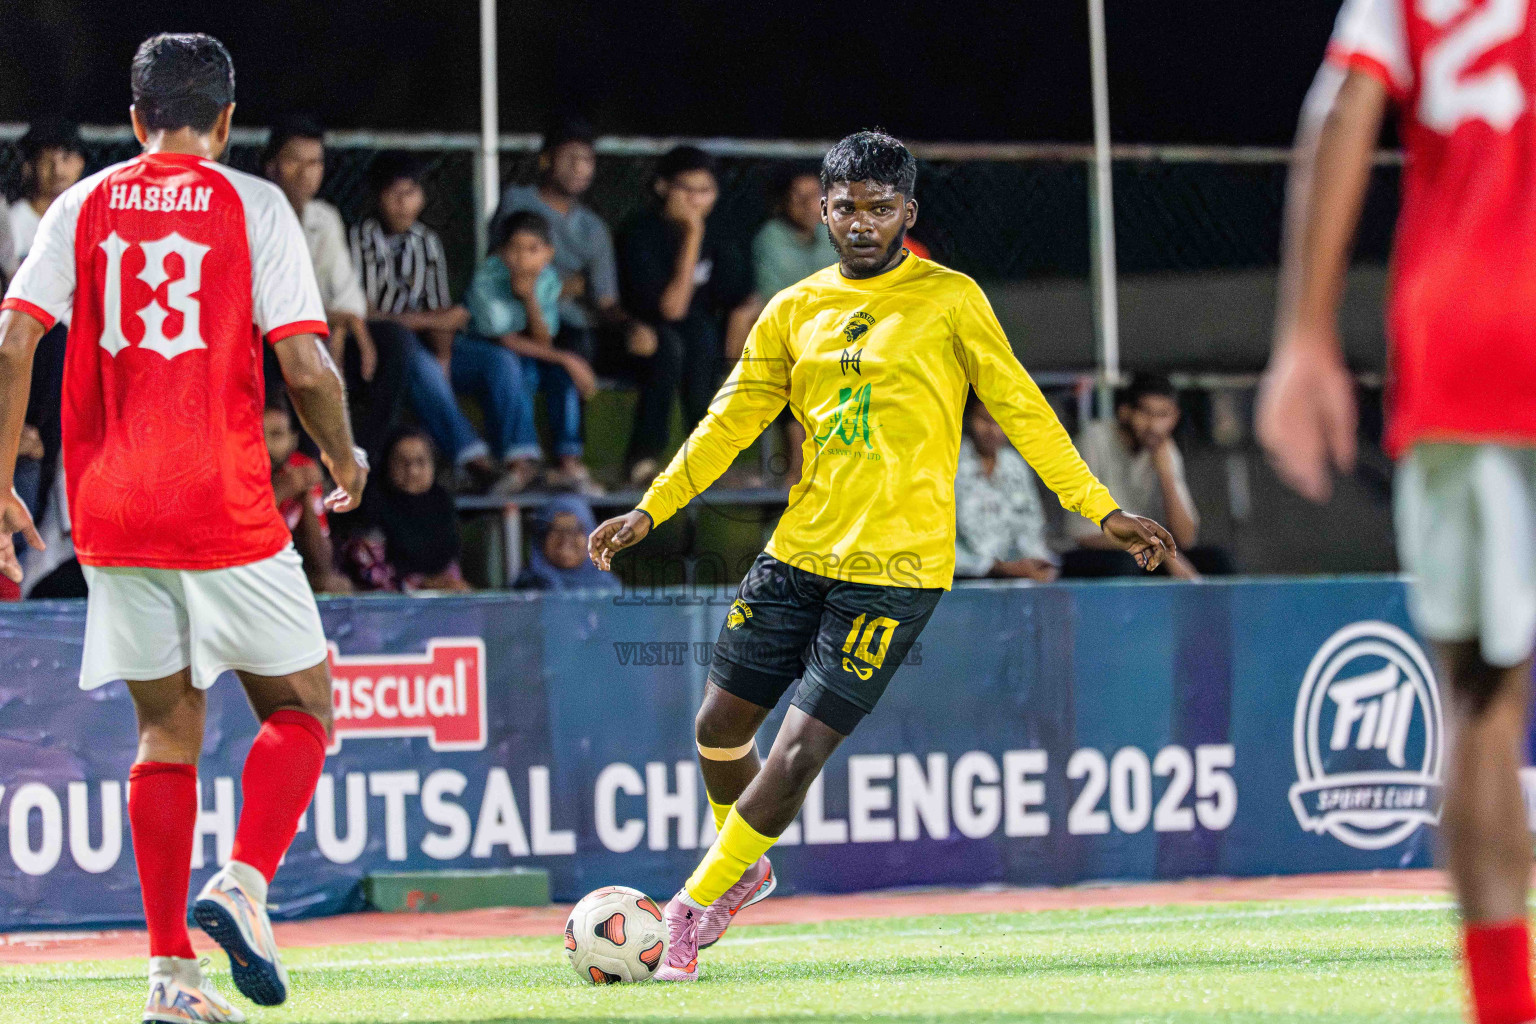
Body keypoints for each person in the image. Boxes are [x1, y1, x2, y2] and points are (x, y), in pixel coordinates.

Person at [588, 130, 1175, 981]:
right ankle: (743, 864)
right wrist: (652, 508)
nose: (861, 223)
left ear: (908, 212)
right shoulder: (794, 310)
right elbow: (729, 421)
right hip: (798, 554)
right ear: (823, 210)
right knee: (718, 727)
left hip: (895, 574)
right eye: (845, 208)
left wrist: (1101, 507)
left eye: (880, 208)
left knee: (797, 752)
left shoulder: (950, 299)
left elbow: (1023, 410)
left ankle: (692, 906)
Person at [0, 33, 368, 1021]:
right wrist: (344, 459)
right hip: (224, 501)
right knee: (305, 712)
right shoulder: (256, 205)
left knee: (166, 729)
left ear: (134, 119)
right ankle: (244, 882)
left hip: (109, 509)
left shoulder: (78, 206)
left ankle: (171, 978)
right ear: (227, 120)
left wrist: (1, 481)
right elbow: (306, 365)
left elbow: (15, 333)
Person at [1258, 4, 1536, 1022]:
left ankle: (1506, 1009)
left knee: (1483, 709)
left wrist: (1303, 336)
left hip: (1471, 338)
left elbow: (1342, 102)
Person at [351, 156, 505, 493]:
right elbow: (363, 314)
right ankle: (474, 461)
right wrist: (425, 322)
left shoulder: (427, 242)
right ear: (377, 196)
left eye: (412, 192)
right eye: (395, 193)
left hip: (427, 345)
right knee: (413, 356)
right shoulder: (356, 240)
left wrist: (444, 360)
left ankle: (517, 463)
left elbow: (443, 315)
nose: (405, 202)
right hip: (379, 348)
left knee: (497, 361)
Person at [263, 114, 404, 464]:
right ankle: (310, 463)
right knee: (307, 348)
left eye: (315, 162)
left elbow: (348, 297)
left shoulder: (324, 217)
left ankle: (359, 461)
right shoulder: (255, 213)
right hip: (270, 339)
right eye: (295, 160)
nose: (305, 172)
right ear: (272, 166)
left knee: (393, 342)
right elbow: (269, 303)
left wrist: (347, 326)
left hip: (324, 333)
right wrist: (334, 323)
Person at [617, 145, 756, 486]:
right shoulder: (640, 232)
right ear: (663, 187)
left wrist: (736, 343)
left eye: (705, 191)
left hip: (696, 337)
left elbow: (743, 294)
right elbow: (671, 309)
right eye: (687, 190)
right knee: (671, 344)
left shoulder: (720, 232)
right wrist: (692, 234)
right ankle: (644, 458)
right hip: (634, 334)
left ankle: (708, 458)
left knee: (701, 335)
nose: (696, 200)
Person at [490, 117, 653, 367]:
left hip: (570, 325)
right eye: (570, 158)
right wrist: (564, 287)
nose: (580, 168)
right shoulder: (516, 201)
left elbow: (605, 300)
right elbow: (502, 270)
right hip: (516, 313)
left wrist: (631, 326)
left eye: (588, 160)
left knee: (589, 344)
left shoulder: (593, 228)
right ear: (546, 160)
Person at [462, 211, 600, 493]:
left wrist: (529, 299)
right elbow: (504, 341)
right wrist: (569, 358)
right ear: (500, 252)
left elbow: (543, 340)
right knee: (519, 371)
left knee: (561, 376)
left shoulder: (547, 278)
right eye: (513, 249)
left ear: (548, 253)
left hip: (531, 350)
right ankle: (521, 462)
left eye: (533, 249)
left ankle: (568, 461)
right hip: (489, 353)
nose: (522, 258)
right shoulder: (487, 279)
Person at [1063, 374, 1226, 579]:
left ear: (1175, 416)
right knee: (1128, 563)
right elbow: (1083, 535)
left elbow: (1186, 539)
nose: (1154, 426)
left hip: (1149, 551)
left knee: (1217, 561)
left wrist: (1167, 475)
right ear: (1125, 412)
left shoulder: (1164, 449)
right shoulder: (1094, 441)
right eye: (1146, 413)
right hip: (1097, 553)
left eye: (1163, 415)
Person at [345, 428, 469, 593]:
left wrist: (450, 585)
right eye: (402, 462)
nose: (412, 471)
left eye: (420, 462)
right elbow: (369, 572)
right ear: (387, 464)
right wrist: (422, 584)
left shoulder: (442, 505)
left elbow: (449, 571)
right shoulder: (370, 507)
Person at [954, 391, 1058, 582]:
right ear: (968, 418)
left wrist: (1037, 562)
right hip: (964, 579)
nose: (992, 429)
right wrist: (995, 567)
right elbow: (943, 539)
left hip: (1016, 578)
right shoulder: (951, 463)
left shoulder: (1014, 465)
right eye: (984, 420)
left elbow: (1031, 523)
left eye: (999, 421)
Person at [264, 399, 351, 594]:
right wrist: (281, 491)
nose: (265, 444)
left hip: (282, 570)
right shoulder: (241, 470)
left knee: (333, 586)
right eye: (258, 434)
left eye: (276, 434)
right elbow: (244, 541)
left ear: (293, 439)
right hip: (245, 568)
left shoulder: (301, 469)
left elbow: (321, 563)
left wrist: (305, 496)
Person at [10, 119, 86, 267]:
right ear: (29, 167)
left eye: (66, 158)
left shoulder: (90, 218)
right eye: (47, 161)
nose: (57, 170)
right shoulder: (14, 221)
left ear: (80, 162)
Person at [515, 495, 620, 592]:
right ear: (541, 538)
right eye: (556, 530)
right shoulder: (525, 590)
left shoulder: (608, 589)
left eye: (575, 530)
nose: (565, 539)